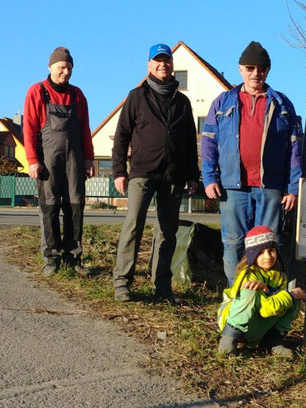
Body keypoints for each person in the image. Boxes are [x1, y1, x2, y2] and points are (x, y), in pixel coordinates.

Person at [201, 41, 302, 285]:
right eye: (250, 67)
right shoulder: (223, 102)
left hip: (271, 187)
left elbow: (296, 150)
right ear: (240, 69)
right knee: (234, 242)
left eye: (262, 68)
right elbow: (208, 143)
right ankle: (236, 294)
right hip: (233, 187)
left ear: (268, 71)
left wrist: (293, 187)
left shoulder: (283, 105)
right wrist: (209, 176)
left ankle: (267, 296)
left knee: (268, 245)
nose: (256, 73)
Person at [111, 43, 199, 302]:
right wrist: (119, 171)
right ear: (149, 65)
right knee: (133, 227)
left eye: (167, 60)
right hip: (142, 172)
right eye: (157, 61)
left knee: (167, 233)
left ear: (172, 65)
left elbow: (188, 142)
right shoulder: (136, 96)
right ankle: (122, 283)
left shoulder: (182, 102)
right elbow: (121, 137)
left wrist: (192, 175)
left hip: (173, 176)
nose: (163, 65)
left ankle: (162, 286)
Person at [23, 47, 95, 277]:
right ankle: (51, 258)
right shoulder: (37, 92)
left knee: (75, 206)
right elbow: (29, 128)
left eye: (69, 68)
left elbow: (85, 129)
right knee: (50, 207)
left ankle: (73, 257)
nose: (66, 72)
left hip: (75, 159)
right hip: (48, 161)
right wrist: (32, 160)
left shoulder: (77, 95)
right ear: (50, 67)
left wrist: (89, 158)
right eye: (61, 67)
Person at [218, 226, 306, 356]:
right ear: (252, 254)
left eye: (271, 250)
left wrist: (268, 290)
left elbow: (275, 307)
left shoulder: (280, 277)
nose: (268, 256)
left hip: (259, 327)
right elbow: (266, 310)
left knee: (293, 300)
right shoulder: (247, 275)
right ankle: (228, 340)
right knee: (250, 292)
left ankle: (271, 342)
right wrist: (288, 295)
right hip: (238, 325)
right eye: (260, 252)